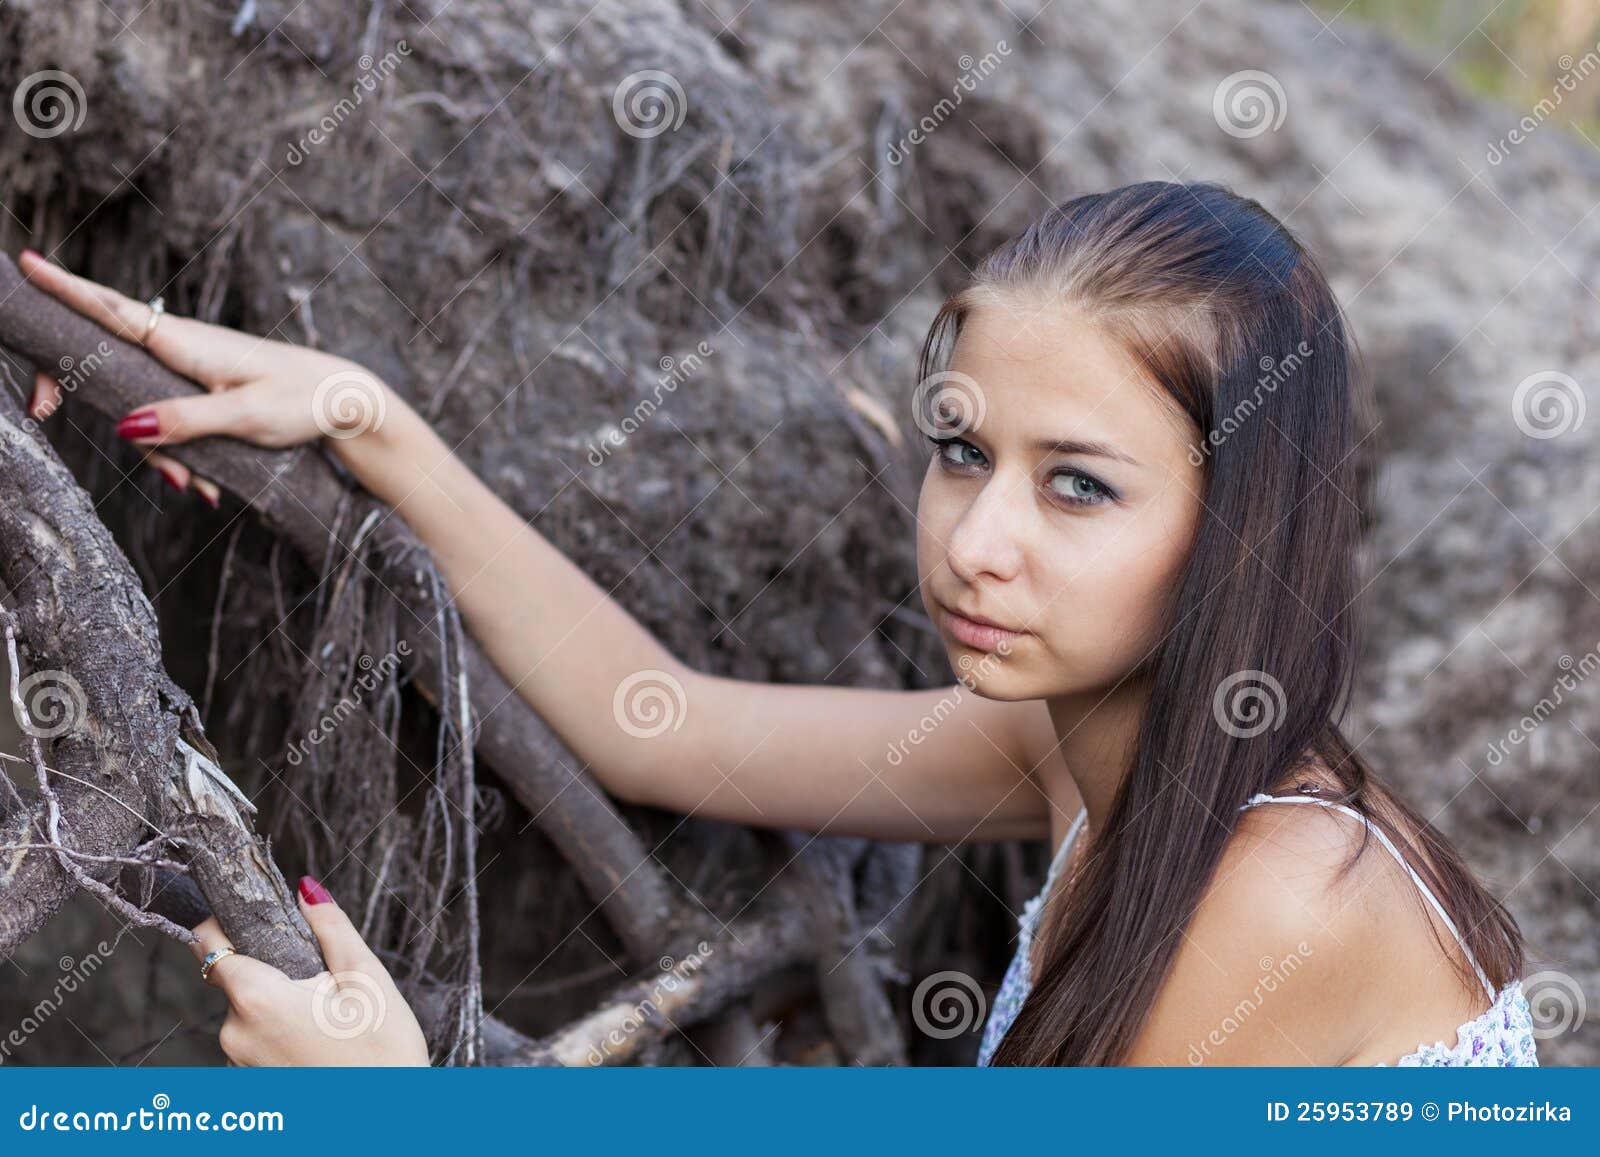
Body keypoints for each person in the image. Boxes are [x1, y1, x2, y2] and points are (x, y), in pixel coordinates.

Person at [19, 181, 1538, 1067]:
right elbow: (652, 717)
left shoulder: (1279, 895)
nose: (977, 541)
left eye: (1078, 486)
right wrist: (364, 417)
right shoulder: (1089, 752)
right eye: (962, 452)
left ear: (1241, 527)